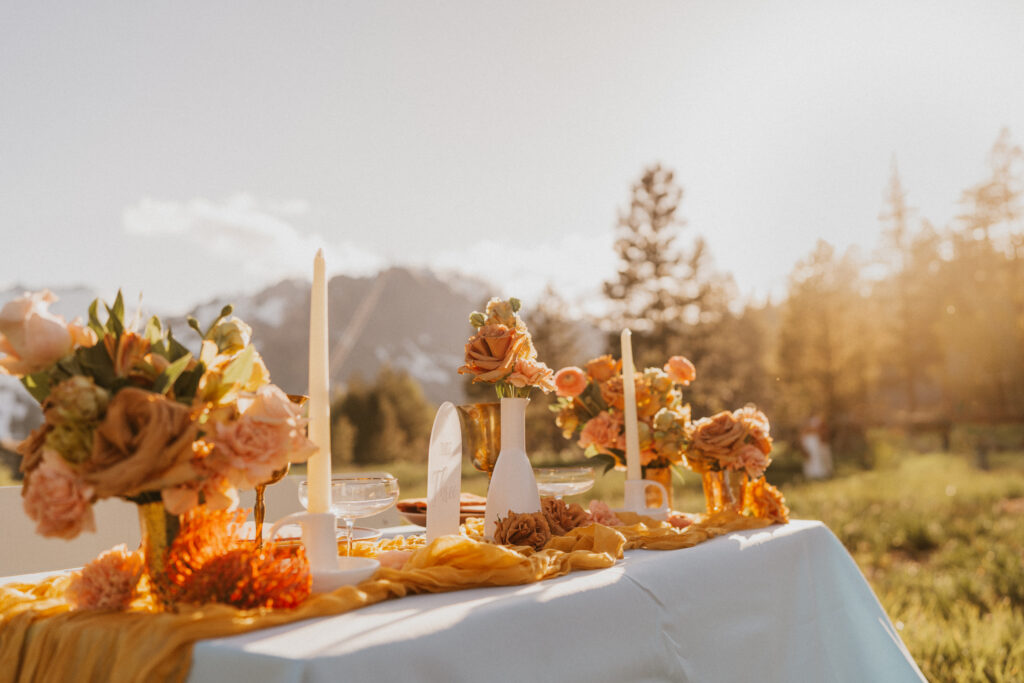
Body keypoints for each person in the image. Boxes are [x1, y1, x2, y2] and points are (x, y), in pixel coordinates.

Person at [800, 414, 833, 479]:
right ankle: (812, 473)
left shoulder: (820, 421)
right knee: (811, 457)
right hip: (810, 442)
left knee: (818, 457)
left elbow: (824, 430)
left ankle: (820, 473)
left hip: (816, 441)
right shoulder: (807, 424)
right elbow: (803, 432)